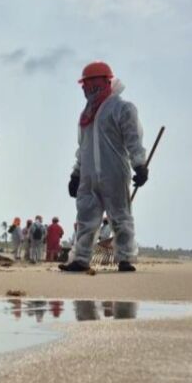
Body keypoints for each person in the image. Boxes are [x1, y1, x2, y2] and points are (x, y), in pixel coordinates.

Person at [61, 61, 148, 273]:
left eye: (89, 84)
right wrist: (76, 174)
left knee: (120, 217)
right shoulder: (86, 115)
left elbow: (133, 139)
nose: (85, 89)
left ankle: (125, 258)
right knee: (85, 218)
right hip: (88, 176)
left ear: (103, 83)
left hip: (114, 173)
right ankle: (80, 259)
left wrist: (139, 164)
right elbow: (83, 147)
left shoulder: (122, 108)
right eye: (84, 85)